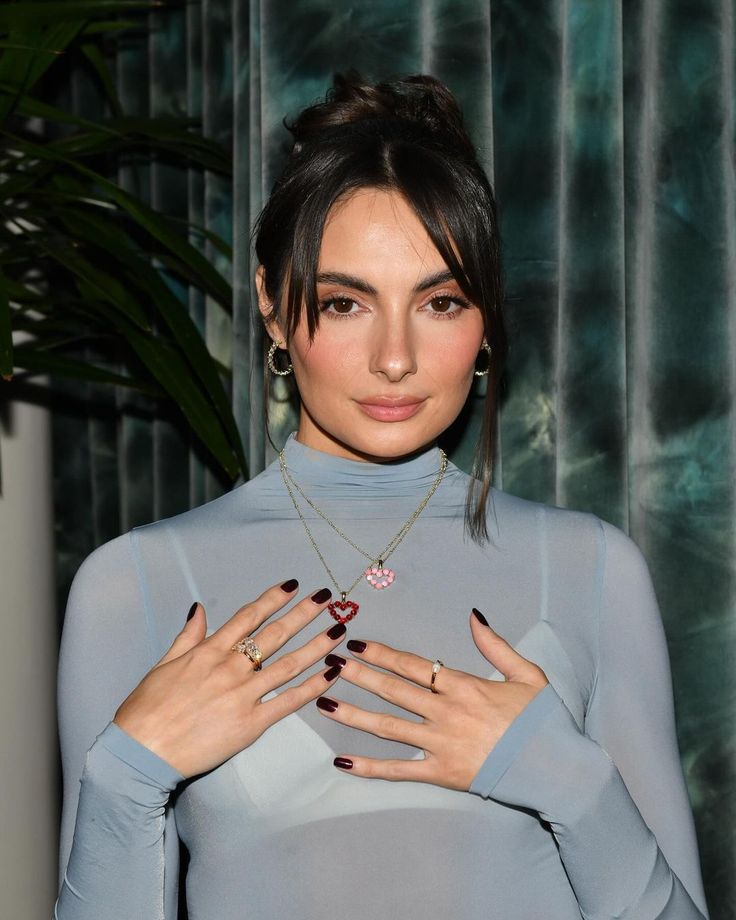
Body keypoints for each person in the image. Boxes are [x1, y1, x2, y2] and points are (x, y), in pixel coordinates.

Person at [53, 71, 710, 920]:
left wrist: (572, 783)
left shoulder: (592, 570)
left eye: (439, 301)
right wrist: (125, 775)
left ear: (483, 320)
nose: (395, 356)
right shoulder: (131, 586)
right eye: (345, 302)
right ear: (272, 306)